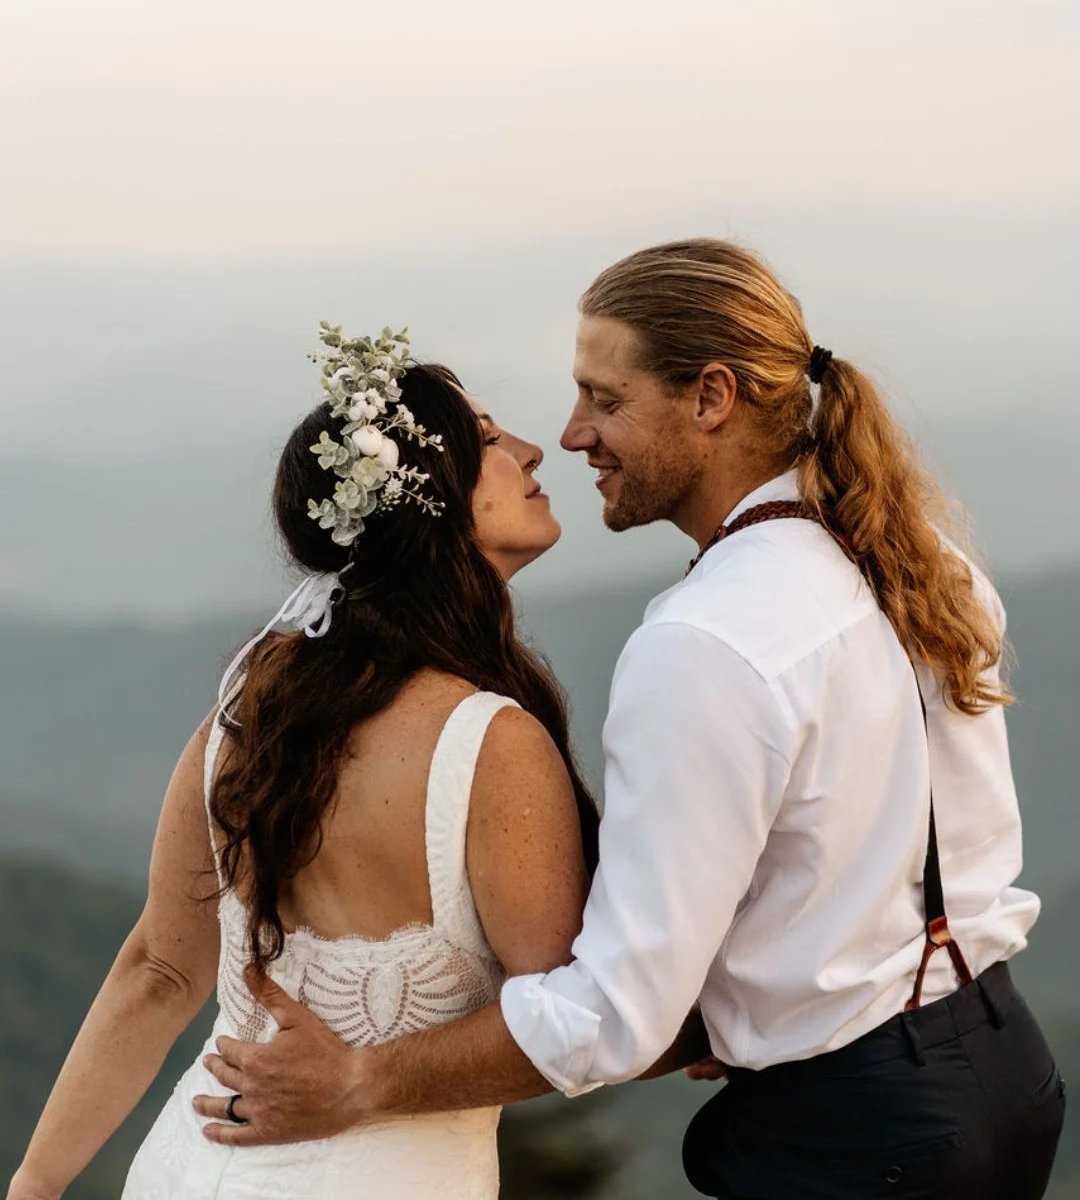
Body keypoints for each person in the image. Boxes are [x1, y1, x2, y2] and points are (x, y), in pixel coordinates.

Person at [196, 241, 1064, 1199]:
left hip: (862, 1138)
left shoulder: (703, 641)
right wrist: (753, 1002)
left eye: (604, 399)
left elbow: (613, 1015)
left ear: (711, 399)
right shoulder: (920, 559)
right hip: (1003, 1069)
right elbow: (857, 846)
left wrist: (361, 1082)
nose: (572, 435)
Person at [8, 326, 703, 1200]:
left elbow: (160, 970)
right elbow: (565, 1023)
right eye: (489, 442)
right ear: (427, 501)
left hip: (188, 1169)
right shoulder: (490, 743)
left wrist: (35, 1181)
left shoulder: (247, 713)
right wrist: (733, 1025)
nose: (532, 451)